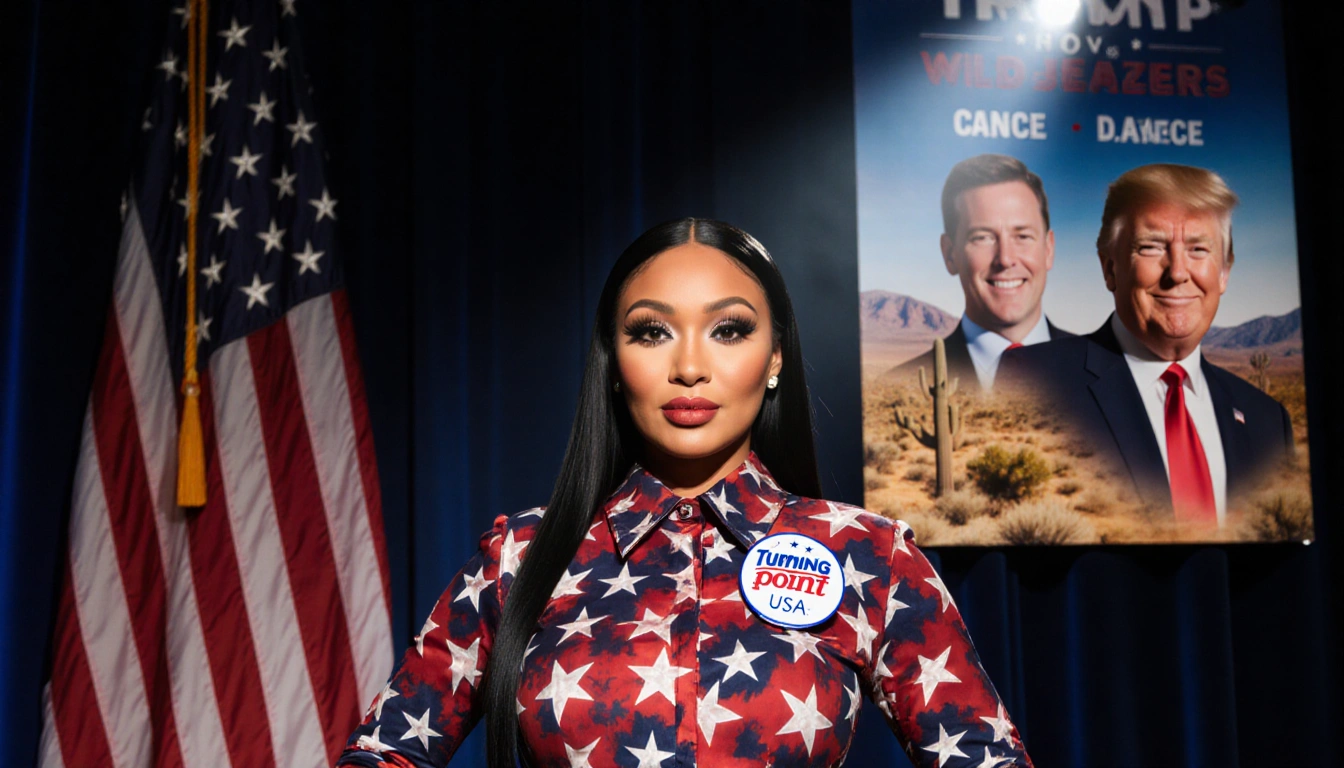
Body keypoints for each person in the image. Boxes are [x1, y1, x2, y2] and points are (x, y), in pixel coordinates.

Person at [337, 219, 1032, 767]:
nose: (691, 366)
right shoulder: (520, 557)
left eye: (729, 329)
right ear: (615, 361)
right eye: (652, 332)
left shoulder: (866, 555)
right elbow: (385, 753)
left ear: (776, 357)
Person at [1000, 164, 1294, 525]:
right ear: (1110, 268)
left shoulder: (1268, 421)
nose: (1178, 272)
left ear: (1224, 272)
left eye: (1199, 249)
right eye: (1152, 247)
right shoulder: (1032, 382)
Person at [892, 154, 1072, 393]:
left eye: (1022, 236)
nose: (1006, 259)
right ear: (949, 254)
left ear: (1048, 249)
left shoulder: (1112, 375)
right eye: (982, 238)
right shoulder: (899, 390)